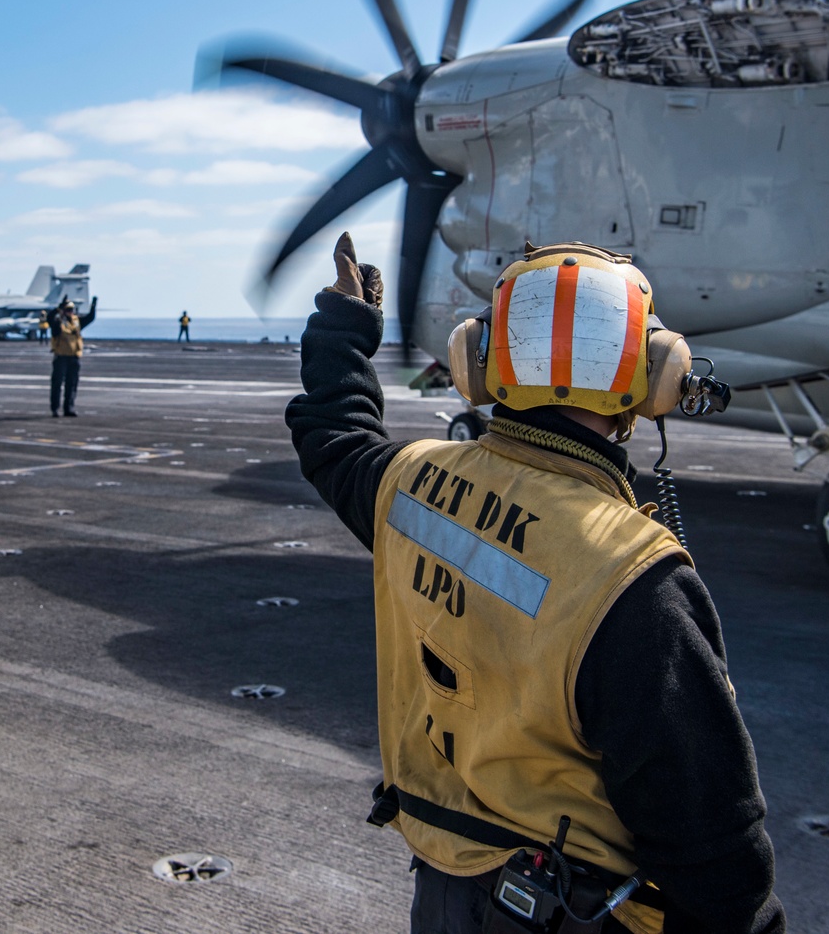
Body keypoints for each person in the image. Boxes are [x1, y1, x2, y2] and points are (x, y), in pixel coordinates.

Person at [285, 234, 784, 934]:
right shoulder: (633, 577)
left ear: (478, 361)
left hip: (445, 891)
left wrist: (342, 328)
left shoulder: (410, 481)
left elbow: (333, 436)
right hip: (576, 914)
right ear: (656, 374)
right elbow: (717, 859)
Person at [49, 295, 96, 417]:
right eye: (67, 310)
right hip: (61, 357)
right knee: (57, 384)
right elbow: (49, 318)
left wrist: (94, 305)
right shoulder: (58, 322)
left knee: (72, 384)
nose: (70, 312)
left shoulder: (77, 321)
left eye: (71, 310)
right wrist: (58, 308)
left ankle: (69, 408)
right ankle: (55, 408)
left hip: (74, 357)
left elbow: (90, 318)